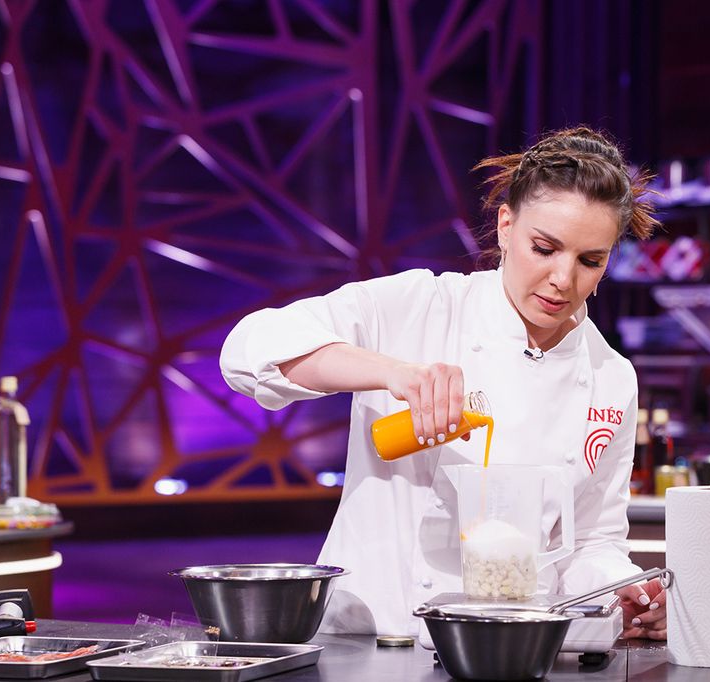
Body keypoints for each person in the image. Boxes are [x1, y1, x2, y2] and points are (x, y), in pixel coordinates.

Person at [220, 126, 667, 639]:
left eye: (591, 261)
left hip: (509, 645)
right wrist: (392, 372)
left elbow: (592, 538)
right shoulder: (422, 307)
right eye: (544, 248)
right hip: (374, 635)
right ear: (505, 226)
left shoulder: (610, 375)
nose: (564, 279)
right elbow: (248, 351)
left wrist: (623, 591)